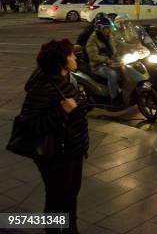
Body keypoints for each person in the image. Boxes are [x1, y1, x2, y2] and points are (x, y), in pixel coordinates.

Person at [19, 39, 89, 234]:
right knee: (57, 198)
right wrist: (61, 111)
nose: (75, 57)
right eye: (70, 54)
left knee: (71, 194)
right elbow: (29, 124)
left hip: (73, 150)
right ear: (61, 61)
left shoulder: (68, 80)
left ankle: (70, 230)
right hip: (56, 155)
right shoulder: (44, 86)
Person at [85, 17, 122, 105]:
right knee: (112, 74)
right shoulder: (93, 39)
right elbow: (93, 56)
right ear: (100, 28)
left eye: (109, 27)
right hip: (98, 66)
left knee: (127, 68)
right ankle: (114, 97)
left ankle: (122, 90)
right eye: (106, 28)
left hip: (112, 61)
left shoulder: (110, 36)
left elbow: (118, 44)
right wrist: (106, 60)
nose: (109, 30)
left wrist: (131, 47)